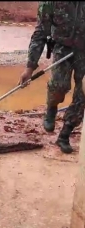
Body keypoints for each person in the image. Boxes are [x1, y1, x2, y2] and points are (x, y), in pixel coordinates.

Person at [18, 2, 85, 154]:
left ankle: (65, 133)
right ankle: (52, 107)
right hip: (62, 48)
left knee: (82, 94)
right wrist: (29, 67)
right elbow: (40, 33)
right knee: (59, 86)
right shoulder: (50, 3)